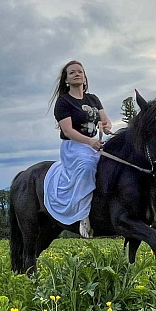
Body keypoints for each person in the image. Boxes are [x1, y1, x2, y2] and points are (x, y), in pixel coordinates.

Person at [43, 60, 112, 238]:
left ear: (85, 77)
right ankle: (83, 216)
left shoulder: (93, 99)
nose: (77, 74)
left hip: (93, 143)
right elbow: (68, 131)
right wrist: (90, 142)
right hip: (74, 146)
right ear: (66, 80)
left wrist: (105, 126)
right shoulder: (63, 102)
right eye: (72, 72)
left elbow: (105, 120)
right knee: (87, 167)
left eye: (80, 71)